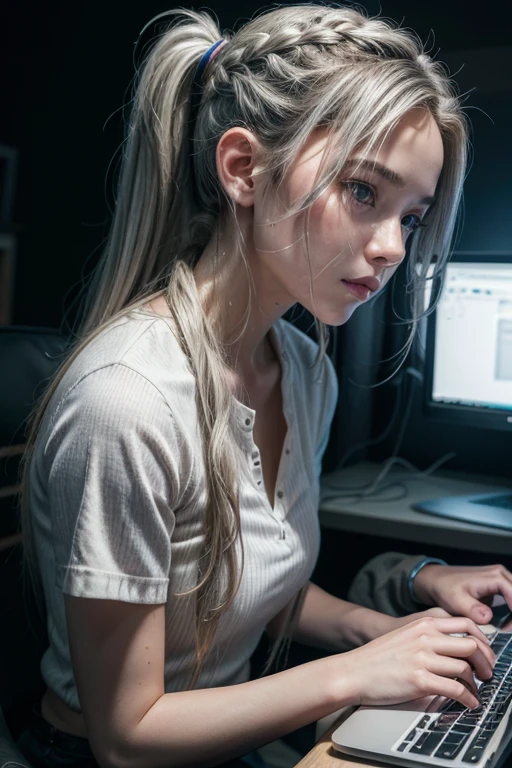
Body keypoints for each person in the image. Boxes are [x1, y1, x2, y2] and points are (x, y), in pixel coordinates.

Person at [14, 5, 512, 768]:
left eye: (411, 218)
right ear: (243, 168)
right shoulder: (128, 399)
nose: (390, 250)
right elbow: (128, 734)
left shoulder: (305, 370)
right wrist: (353, 673)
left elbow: (252, 594)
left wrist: (408, 637)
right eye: (362, 192)